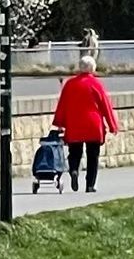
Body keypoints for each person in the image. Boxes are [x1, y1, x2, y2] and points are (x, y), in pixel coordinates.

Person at [51, 58, 119, 193]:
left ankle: (74, 170)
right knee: (93, 156)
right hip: (93, 125)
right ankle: (90, 185)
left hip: (74, 124)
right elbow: (105, 106)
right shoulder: (96, 84)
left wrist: (59, 123)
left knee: (74, 152)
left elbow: (62, 105)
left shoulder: (70, 84)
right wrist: (112, 125)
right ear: (92, 68)